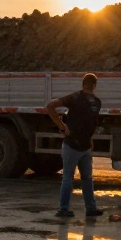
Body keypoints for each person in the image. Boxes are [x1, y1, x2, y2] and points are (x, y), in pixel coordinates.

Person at [45, 73, 104, 218]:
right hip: (82, 146)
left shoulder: (75, 97)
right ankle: (89, 208)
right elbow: (94, 123)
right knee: (86, 178)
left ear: (82, 84)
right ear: (95, 85)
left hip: (73, 144)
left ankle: (65, 209)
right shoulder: (96, 102)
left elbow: (50, 106)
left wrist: (61, 126)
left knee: (69, 178)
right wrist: (90, 139)